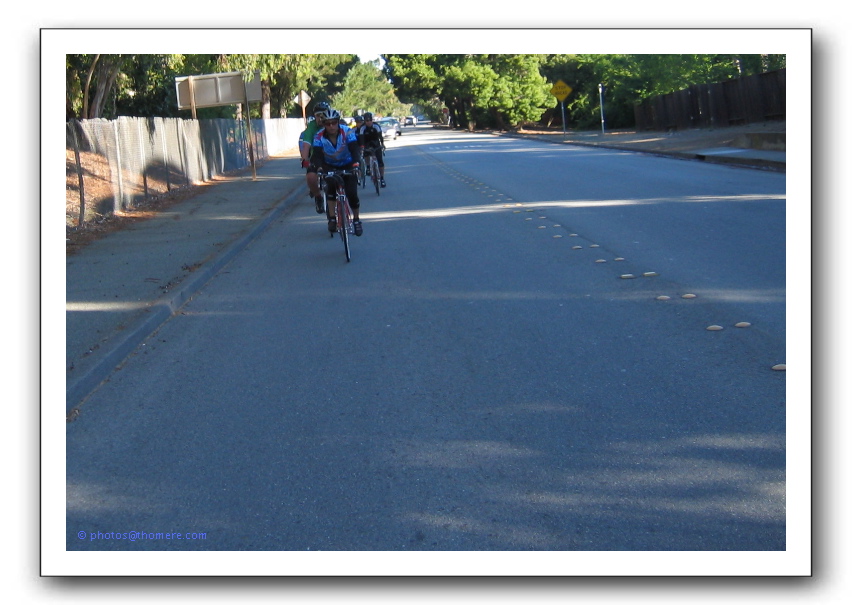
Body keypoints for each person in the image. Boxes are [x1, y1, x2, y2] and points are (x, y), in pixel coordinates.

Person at [311, 108, 364, 236]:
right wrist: (319, 168)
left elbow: (354, 149)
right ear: (324, 124)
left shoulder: (347, 131)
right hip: (329, 165)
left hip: (348, 163)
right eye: (328, 123)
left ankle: (356, 220)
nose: (331, 126)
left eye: (334, 122)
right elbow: (317, 155)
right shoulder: (318, 136)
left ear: (338, 122)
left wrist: (356, 164)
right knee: (330, 189)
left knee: (352, 193)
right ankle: (332, 218)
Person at [299, 101, 330, 214]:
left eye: (323, 114)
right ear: (314, 116)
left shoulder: (333, 123)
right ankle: (318, 197)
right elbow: (306, 145)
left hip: (333, 156)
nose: (321, 118)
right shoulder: (312, 127)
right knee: (311, 177)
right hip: (316, 156)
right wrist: (305, 159)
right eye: (318, 115)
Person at [356, 112, 386, 187]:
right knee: (366, 153)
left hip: (375, 143)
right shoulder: (362, 128)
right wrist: (362, 147)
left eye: (370, 120)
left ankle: (382, 179)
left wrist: (382, 144)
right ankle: (368, 167)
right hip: (366, 143)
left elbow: (380, 137)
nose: (369, 122)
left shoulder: (376, 126)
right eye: (367, 121)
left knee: (380, 161)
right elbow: (361, 139)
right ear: (364, 121)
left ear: (372, 120)